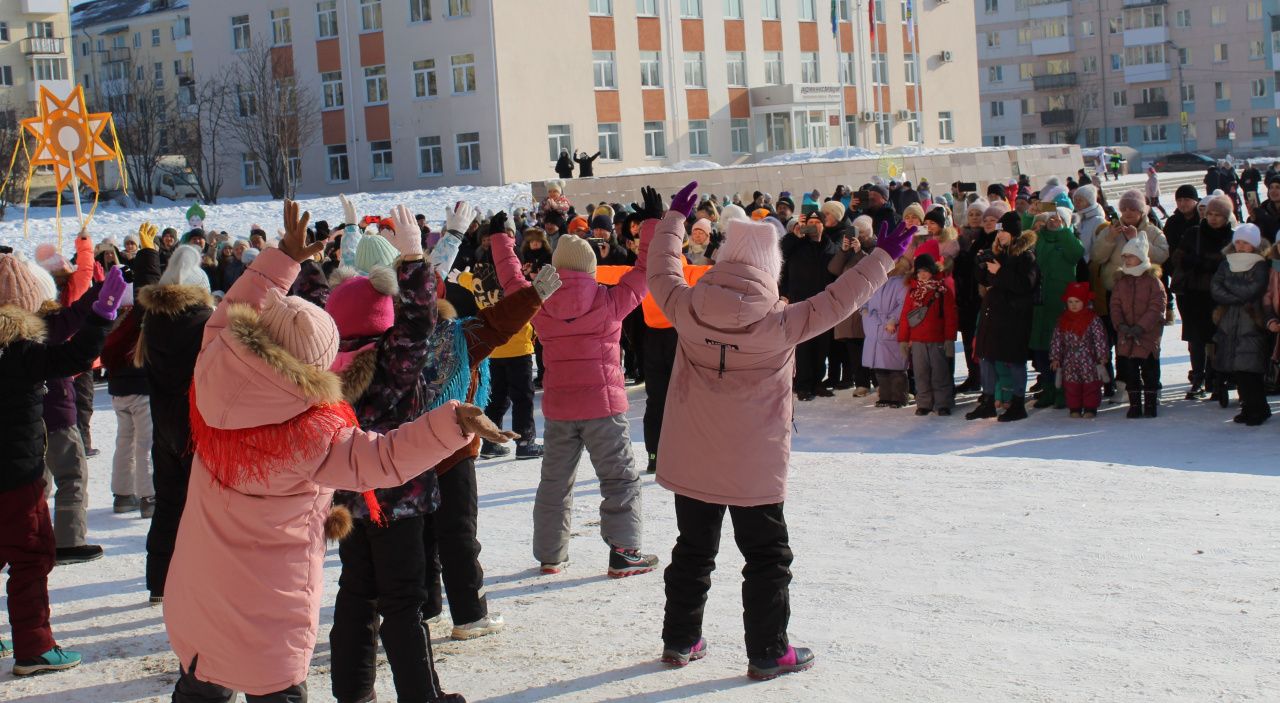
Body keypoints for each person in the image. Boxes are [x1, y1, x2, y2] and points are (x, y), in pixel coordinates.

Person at [163, 201, 487, 702]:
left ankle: (354, 692)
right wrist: (452, 422)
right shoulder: (314, 430)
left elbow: (231, 316)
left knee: (350, 599)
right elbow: (383, 457)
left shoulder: (214, 370)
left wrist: (284, 259)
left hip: (199, 597)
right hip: (279, 603)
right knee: (399, 602)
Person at [647, 180, 911, 678]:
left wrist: (673, 221)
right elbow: (843, 296)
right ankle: (768, 650)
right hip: (755, 461)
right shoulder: (782, 322)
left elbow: (659, 268)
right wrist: (884, 255)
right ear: (772, 268)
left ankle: (679, 640)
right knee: (766, 555)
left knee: (692, 549)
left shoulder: (684, 306)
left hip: (692, 453)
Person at [0, 254, 124, 676]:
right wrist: (103, 315)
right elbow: (72, 358)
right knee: (32, 556)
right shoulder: (20, 352)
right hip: (17, 476)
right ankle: (34, 648)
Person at [530, 189, 659, 577]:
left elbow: (508, 282)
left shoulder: (539, 304)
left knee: (554, 482)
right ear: (590, 267)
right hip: (604, 408)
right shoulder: (609, 301)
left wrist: (503, 241)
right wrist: (653, 222)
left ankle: (550, 556)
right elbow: (647, 269)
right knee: (619, 478)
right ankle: (624, 552)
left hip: (558, 409)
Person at [37, 233, 104, 565]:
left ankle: (29, 540)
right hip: (57, 414)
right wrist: (86, 247)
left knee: (35, 483)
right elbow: (84, 289)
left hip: (27, 419)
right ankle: (67, 540)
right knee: (71, 475)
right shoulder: (52, 323)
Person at [967, 211, 1038, 422]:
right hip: (993, 313)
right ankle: (988, 401)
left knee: (1014, 361)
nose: (1000, 236)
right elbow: (985, 280)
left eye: (1004, 231)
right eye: (999, 232)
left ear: (1014, 233)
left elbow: (1026, 285)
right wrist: (980, 264)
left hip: (1014, 317)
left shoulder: (1026, 256)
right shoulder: (997, 253)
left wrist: (1000, 272)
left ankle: (1017, 403)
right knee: (987, 358)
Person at [1170, 194, 1234, 400]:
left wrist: (1208, 262)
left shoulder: (1232, 236)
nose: (1213, 218)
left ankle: (1216, 379)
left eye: (1218, 215)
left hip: (1219, 296)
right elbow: (1177, 257)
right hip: (1193, 294)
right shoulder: (1194, 233)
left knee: (1217, 338)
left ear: (1226, 217)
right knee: (1196, 339)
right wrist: (1196, 261)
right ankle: (1197, 377)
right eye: (1210, 214)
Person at [1211, 223, 1273, 425]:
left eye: (1245, 242)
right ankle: (1247, 407)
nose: (1240, 245)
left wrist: (1230, 292)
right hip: (1229, 322)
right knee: (1237, 370)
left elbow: (1253, 289)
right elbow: (1215, 287)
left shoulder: (1260, 264)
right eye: (1237, 241)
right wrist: (1235, 295)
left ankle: (1259, 408)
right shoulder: (1225, 263)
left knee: (1251, 370)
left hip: (1251, 321)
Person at [1028, 207, 1085, 409]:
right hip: (1039, 302)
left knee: (1062, 351)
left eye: (1056, 220)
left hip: (1060, 303)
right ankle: (1049, 389)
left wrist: (1061, 230)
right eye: (1047, 220)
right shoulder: (1038, 239)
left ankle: (1063, 391)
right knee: (1042, 352)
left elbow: (1076, 254)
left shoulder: (1069, 239)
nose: (1051, 223)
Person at [781, 212, 837, 400]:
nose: (813, 225)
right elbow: (780, 254)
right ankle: (802, 384)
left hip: (823, 302)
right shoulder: (795, 244)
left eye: (817, 222)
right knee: (803, 344)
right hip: (800, 301)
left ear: (823, 225)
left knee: (822, 343)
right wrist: (795, 234)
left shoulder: (830, 246)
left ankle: (817, 381)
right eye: (810, 223)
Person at [1110, 235, 1167, 419]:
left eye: (1131, 256)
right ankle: (1134, 404)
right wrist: (1121, 325)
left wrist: (1141, 327)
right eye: (1125, 256)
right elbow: (1115, 305)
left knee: (1150, 370)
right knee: (1130, 371)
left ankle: (1150, 403)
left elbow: (1157, 306)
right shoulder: (1121, 281)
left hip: (1147, 335)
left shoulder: (1152, 281)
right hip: (1126, 334)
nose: (1127, 259)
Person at [898, 253, 958, 415]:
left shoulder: (942, 290)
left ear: (932, 271)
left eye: (925, 271)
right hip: (917, 341)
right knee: (921, 373)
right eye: (919, 271)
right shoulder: (912, 292)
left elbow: (950, 317)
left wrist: (949, 339)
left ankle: (943, 402)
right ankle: (924, 403)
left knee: (940, 373)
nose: (922, 274)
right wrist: (903, 339)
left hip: (937, 339)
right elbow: (905, 317)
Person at [829, 215, 876, 397]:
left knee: (872, 344)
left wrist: (859, 252)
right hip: (850, 304)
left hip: (869, 302)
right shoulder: (847, 251)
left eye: (863, 233)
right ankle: (861, 382)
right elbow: (833, 269)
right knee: (854, 345)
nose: (860, 237)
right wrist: (844, 250)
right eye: (857, 233)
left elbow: (872, 268)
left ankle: (878, 380)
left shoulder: (873, 249)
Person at [1049, 282, 1108, 419]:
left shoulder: (1093, 319)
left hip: (1089, 358)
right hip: (1069, 359)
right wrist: (1055, 357)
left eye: (1077, 301)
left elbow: (1099, 339)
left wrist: (1102, 356)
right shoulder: (1063, 320)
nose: (1073, 305)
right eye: (1070, 302)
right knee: (1071, 385)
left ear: (1085, 302)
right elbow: (1057, 340)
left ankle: (1090, 408)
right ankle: (1074, 408)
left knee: (1090, 385)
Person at [862, 251, 911, 408]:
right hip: (873, 327)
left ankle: (898, 397)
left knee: (895, 366)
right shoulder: (876, 280)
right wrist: (863, 310)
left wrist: (893, 320)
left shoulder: (901, 282)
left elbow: (903, 304)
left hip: (890, 327)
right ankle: (885, 396)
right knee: (879, 366)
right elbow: (864, 297)